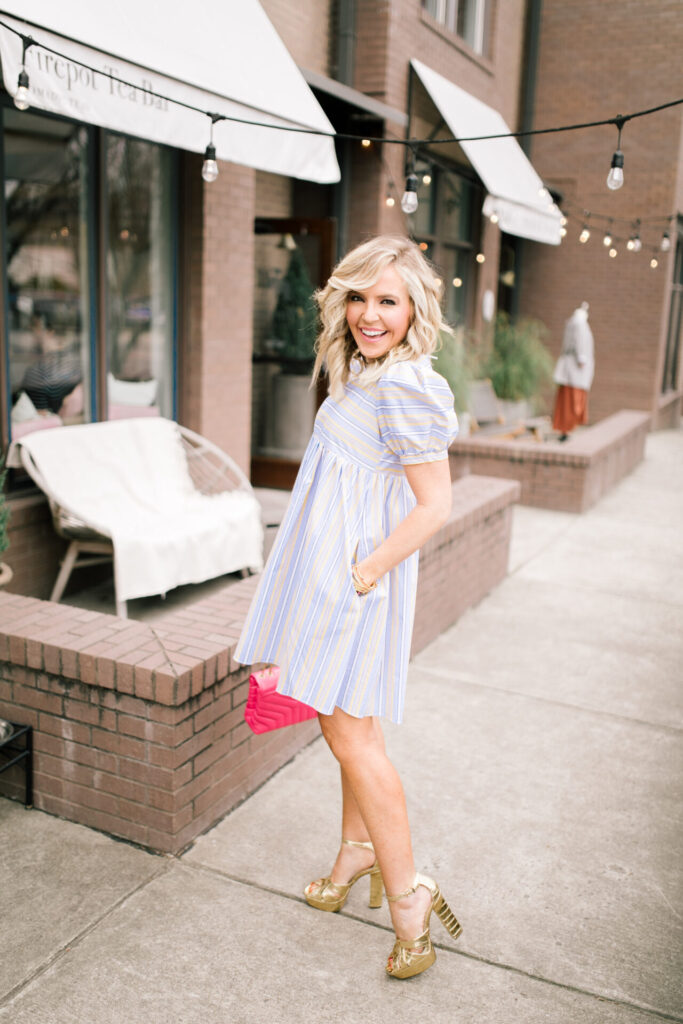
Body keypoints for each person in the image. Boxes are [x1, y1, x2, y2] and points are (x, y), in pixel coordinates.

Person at [234, 235, 463, 979]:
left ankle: (409, 900)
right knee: (348, 731)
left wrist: (362, 575)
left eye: (387, 300)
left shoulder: (405, 386)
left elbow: (434, 505)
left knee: (352, 738)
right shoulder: (363, 372)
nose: (369, 314)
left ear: (414, 308)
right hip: (331, 578)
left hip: (351, 586)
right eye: (358, 297)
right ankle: (354, 852)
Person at [552, 302, 595, 440]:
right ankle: (567, 429)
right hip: (575, 373)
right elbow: (580, 344)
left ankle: (566, 429)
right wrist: (581, 358)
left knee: (568, 402)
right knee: (571, 403)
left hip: (571, 373)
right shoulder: (579, 324)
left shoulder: (572, 323)